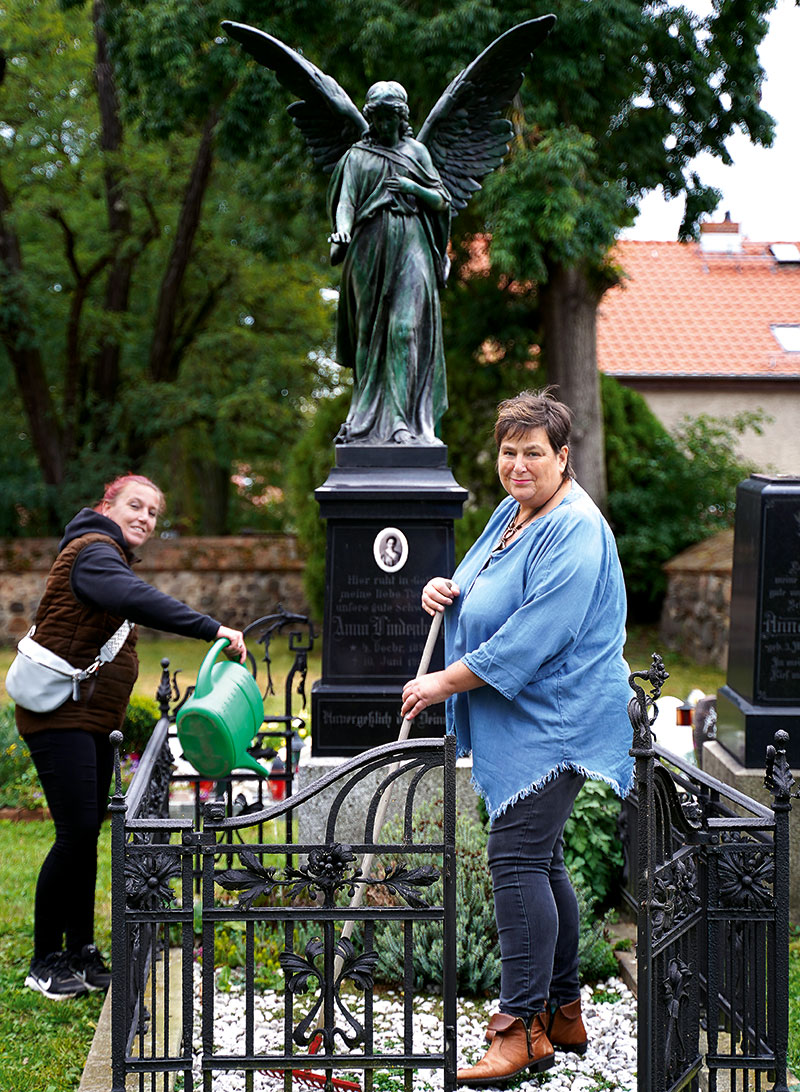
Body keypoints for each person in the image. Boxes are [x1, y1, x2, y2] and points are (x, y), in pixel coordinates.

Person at [401, 390, 634, 1086]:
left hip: (557, 719)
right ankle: (563, 1011)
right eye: (509, 451)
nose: (518, 464)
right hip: (522, 718)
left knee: (515, 861)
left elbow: (535, 636)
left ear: (563, 458)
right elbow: (484, 583)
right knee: (542, 858)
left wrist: (442, 683)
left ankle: (520, 1029)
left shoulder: (575, 528)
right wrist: (447, 589)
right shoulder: (514, 511)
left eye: (534, 452)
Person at [15, 474, 246, 1001]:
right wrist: (212, 628)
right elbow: (134, 598)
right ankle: (45, 959)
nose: (144, 517)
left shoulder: (106, 554)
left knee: (86, 835)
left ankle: (80, 952)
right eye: (134, 506)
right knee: (74, 836)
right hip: (58, 717)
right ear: (107, 506)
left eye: (153, 512)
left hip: (86, 717)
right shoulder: (94, 551)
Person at [327, 80, 451, 445]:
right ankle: (365, 419)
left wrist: (414, 190)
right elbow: (345, 203)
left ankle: (402, 421)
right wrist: (342, 232)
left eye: (389, 118)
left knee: (404, 330)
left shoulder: (417, 152)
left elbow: (441, 201)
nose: (383, 126)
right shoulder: (356, 156)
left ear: (401, 117)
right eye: (377, 118)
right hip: (368, 247)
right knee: (368, 333)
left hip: (411, 243)